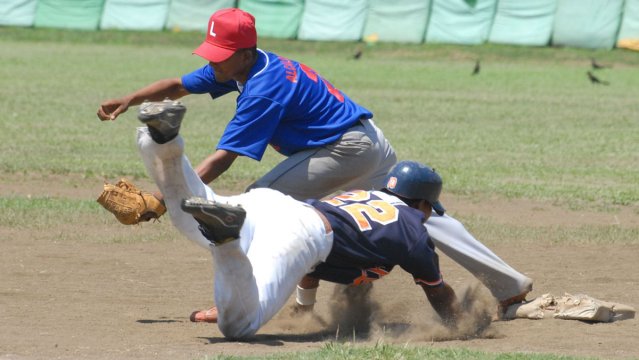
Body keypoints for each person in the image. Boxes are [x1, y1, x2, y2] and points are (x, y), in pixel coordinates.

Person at [99, 7, 531, 321]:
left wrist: (160, 199)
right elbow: (178, 84)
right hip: (370, 145)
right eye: (211, 50)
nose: (214, 59)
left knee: (255, 211)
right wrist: (130, 98)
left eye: (222, 52)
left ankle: (239, 299)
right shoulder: (244, 66)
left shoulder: (263, 88)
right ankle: (512, 288)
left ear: (246, 51)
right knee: (417, 217)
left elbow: (223, 159)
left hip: (343, 151)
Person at [136, 113, 460, 338]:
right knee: (239, 325)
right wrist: (460, 324)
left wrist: (305, 310)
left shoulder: (366, 197)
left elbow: (313, 264)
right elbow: (438, 292)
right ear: (423, 204)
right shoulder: (413, 228)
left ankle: (161, 140)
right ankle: (227, 241)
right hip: (299, 232)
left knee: (188, 216)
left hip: (273, 204)